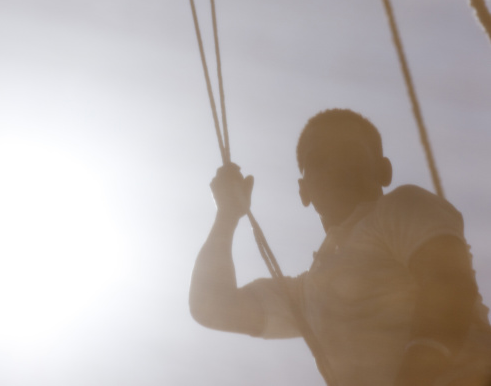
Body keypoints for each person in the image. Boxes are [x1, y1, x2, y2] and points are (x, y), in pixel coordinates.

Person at [189, 108, 491, 386]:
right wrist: (227, 215)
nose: (335, 165)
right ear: (303, 191)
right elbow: (212, 307)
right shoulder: (306, 295)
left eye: (349, 152)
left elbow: (449, 285)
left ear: (384, 171)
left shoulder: (401, 206)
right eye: (318, 160)